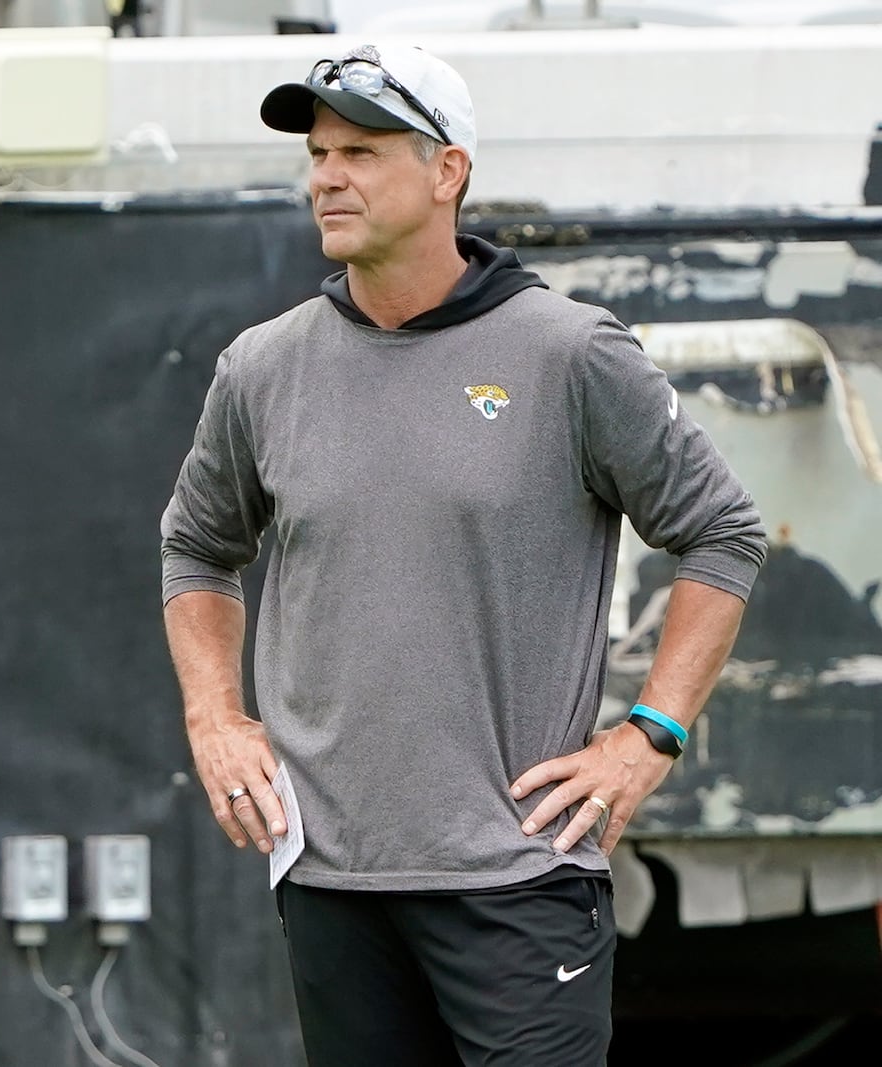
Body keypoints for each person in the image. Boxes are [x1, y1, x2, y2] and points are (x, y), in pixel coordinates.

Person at [159, 44, 766, 1065]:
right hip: (330, 881)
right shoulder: (263, 365)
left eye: (360, 149)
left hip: (519, 879)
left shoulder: (569, 352)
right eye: (316, 153)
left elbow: (723, 532)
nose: (325, 177)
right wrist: (215, 717)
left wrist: (647, 733)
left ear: (447, 172)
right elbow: (195, 549)